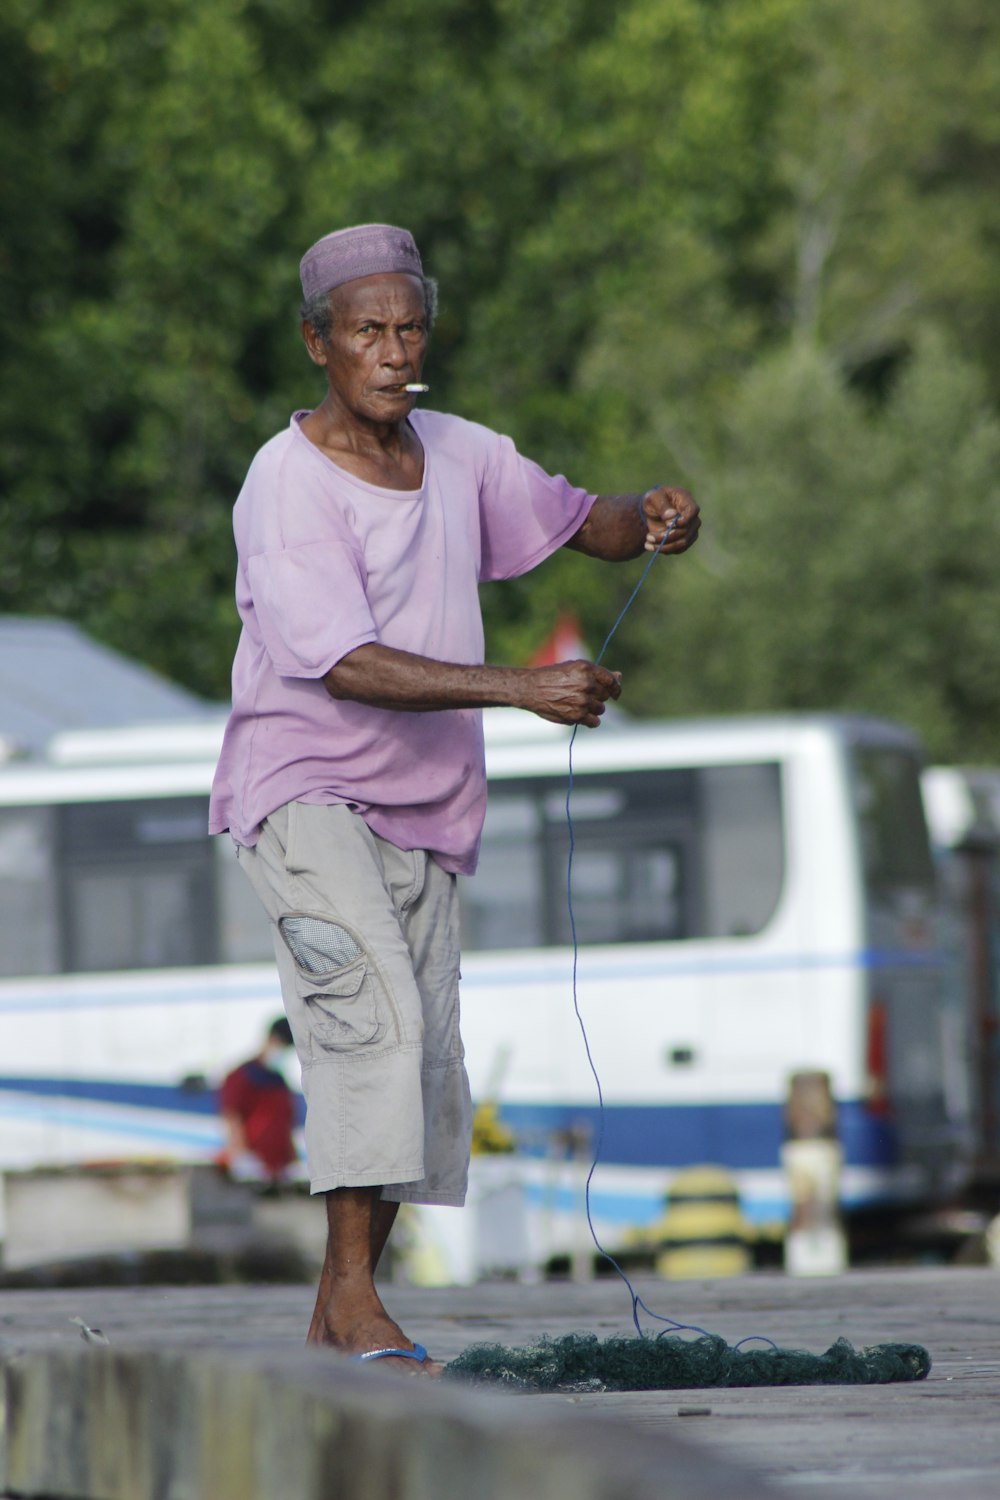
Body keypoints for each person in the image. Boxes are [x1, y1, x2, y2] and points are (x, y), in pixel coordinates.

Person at [209, 222, 700, 1374]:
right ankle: (352, 1300)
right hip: (305, 787)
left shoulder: (464, 455)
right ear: (316, 344)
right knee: (372, 1015)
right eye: (365, 331)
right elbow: (343, 663)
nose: (391, 351)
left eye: (408, 327)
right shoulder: (284, 486)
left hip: (426, 805)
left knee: (426, 1055)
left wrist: (657, 517)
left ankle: (344, 1308)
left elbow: (587, 520)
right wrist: (523, 687)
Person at [219, 1016, 300, 1183]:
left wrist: (294, 1162)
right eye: (282, 1046)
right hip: (253, 1167)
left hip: (279, 1172)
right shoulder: (241, 1076)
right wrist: (241, 1155)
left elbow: (285, 1126)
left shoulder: (280, 1082)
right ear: (271, 1039)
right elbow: (232, 1117)